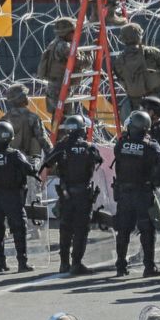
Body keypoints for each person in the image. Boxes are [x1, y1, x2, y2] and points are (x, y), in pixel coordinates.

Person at [42, 114, 103, 274]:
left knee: (65, 227)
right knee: (81, 229)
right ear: (82, 129)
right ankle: (76, 263)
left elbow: (47, 162)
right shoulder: (89, 147)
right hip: (83, 193)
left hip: (66, 193)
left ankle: (64, 263)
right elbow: (99, 161)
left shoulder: (62, 146)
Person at [111, 110, 160, 277]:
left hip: (124, 193)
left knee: (123, 230)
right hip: (143, 193)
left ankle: (120, 265)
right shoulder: (151, 146)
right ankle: (149, 267)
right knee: (147, 230)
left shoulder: (121, 144)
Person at [0, 121, 35, 273]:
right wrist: (34, 162)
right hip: (12, 197)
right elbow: (29, 169)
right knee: (19, 229)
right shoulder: (14, 155)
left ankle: (0, 264)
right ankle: (22, 263)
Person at [114, 23, 160, 114]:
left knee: (140, 125)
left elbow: (121, 78)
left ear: (123, 39)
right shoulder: (151, 52)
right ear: (139, 36)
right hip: (157, 99)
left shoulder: (119, 61)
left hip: (136, 103)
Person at [0, 84, 50, 161]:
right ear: (21, 98)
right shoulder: (32, 117)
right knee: (35, 140)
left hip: (9, 161)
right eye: (25, 95)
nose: (27, 97)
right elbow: (42, 139)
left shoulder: (4, 119)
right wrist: (52, 155)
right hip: (28, 163)